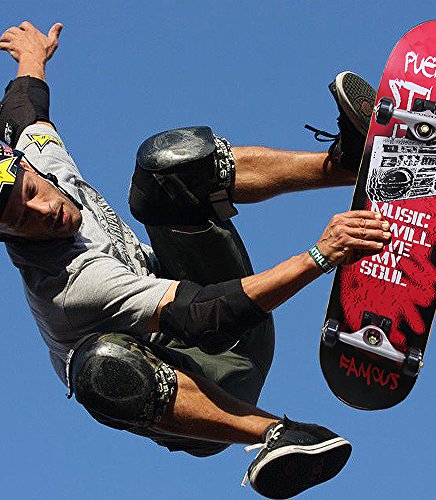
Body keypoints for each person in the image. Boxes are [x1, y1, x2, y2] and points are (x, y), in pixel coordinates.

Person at [0, 21, 390, 499]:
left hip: (236, 323)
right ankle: (277, 434)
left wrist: (32, 55)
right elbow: (203, 314)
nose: (45, 211)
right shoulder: (68, 286)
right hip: (201, 378)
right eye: (23, 220)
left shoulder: (37, 154)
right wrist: (320, 255)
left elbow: (23, 110)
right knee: (99, 368)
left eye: (33, 193)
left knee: (165, 165)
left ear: (27, 166)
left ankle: (354, 162)